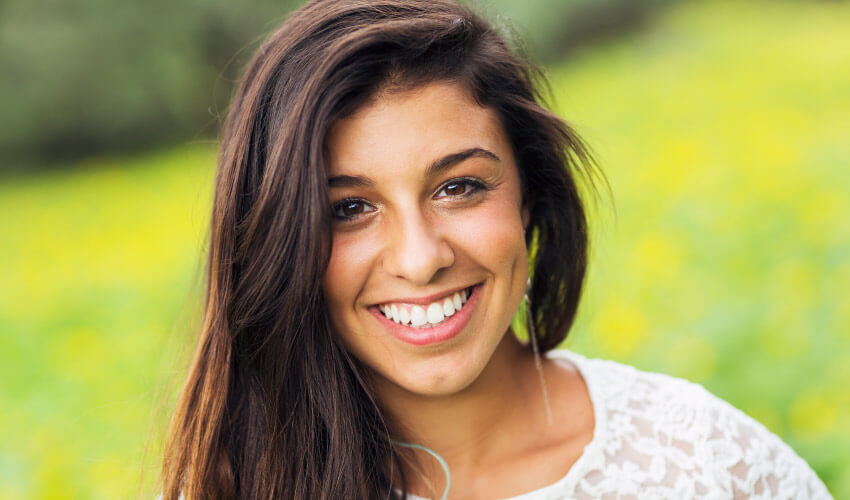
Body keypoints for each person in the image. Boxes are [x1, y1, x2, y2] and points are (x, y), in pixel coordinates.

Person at [160, 0, 832, 498]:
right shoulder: (230, 486)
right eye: (350, 209)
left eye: (459, 187)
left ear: (530, 196)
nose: (421, 258)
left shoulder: (710, 466)